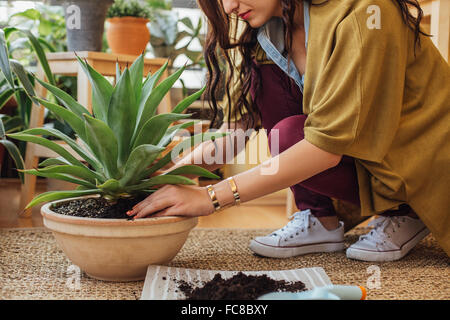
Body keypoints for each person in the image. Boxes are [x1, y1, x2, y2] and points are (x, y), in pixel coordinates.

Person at [128, 0, 450, 262]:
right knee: (282, 119)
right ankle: (319, 219)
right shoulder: (271, 29)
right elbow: (236, 132)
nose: (228, 7)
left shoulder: (364, 11)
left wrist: (211, 197)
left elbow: (325, 146)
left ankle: (408, 211)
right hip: (371, 161)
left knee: (292, 137)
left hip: (425, 166)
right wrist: (169, 176)